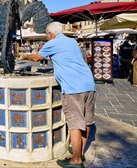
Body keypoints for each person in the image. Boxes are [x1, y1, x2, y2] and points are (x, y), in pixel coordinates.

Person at [22, 22, 96, 168]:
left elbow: (37, 57)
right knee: (87, 122)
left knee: (75, 124)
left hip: (73, 88)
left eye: (47, 35)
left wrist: (24, 55)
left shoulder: (53, 42)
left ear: (50, 34)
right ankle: (79, 152)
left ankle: (76, 161)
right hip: (89, 84)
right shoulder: (72, 41)